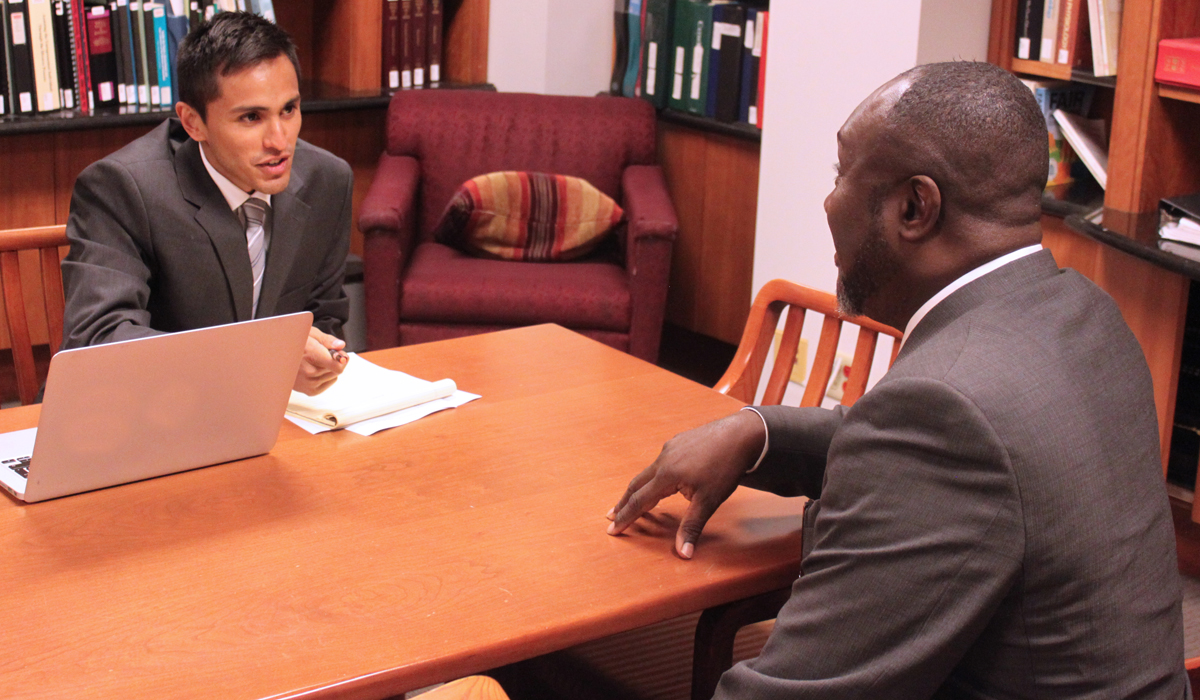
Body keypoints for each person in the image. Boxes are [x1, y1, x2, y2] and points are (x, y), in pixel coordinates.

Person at [607, 62, 1189, 698]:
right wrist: (761, 429)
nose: (828, 202)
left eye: (839, 176)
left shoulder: (946, 410)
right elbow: (973, 456)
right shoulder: (1086, 316)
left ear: (915, 207)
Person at [61, 12, 350, 395]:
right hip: (136, 414)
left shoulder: (327, 180)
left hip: (267, 417)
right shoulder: (123, 188)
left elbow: (324, 317)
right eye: (251, 117)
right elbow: (99, 341)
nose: (280, 141)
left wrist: (322, 357)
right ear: (193, 123)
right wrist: (260, 362)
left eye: (289, 110)